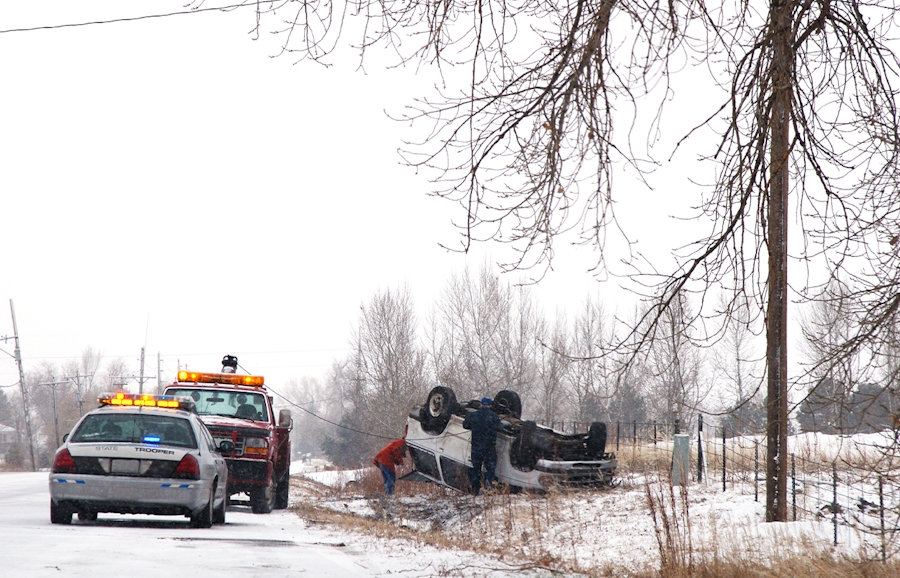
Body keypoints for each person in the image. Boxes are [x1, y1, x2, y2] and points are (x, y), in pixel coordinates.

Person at [462, 397, 505, 495]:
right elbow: (501, 427)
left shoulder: (473, 415)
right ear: (490, 406)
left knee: (476, 469)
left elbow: (465, 425)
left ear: (481, 404)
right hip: (489, 448)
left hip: (476, 447)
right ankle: (488, 487)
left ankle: (475, 490)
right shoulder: (494, 416)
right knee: (490, 469)